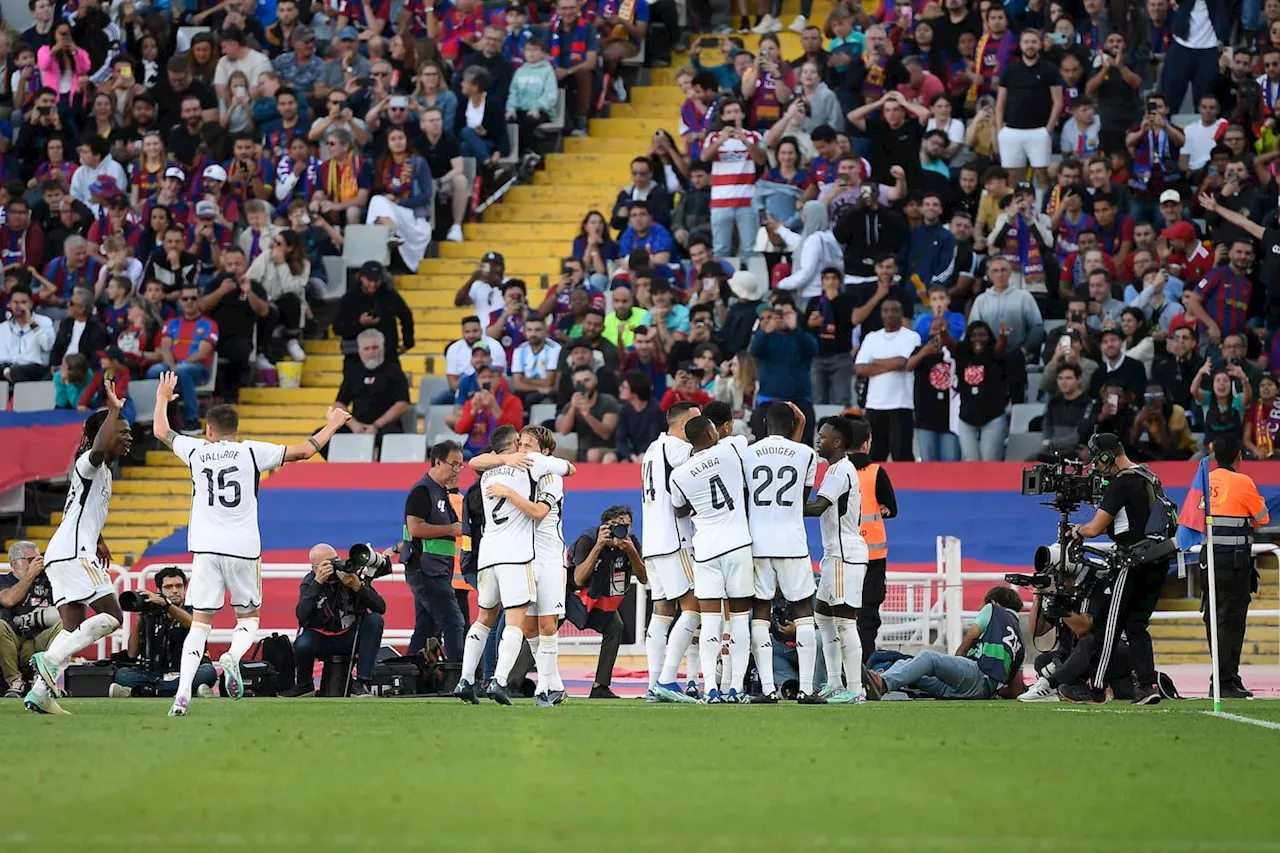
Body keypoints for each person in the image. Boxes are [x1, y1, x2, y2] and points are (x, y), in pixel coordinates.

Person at [150, 373, 351, 716]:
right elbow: (303, 451)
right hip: (243, 548)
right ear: (235, 429)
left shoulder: (197, 450)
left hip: (206, 549)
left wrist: (162, 398)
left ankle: (182, 695)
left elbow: (161, 432)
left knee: (199, 624)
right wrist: (331, 424)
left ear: (209, 431)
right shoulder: (252, 452)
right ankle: (232, 656)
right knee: (248, 619)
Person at [23, 387, 131, 715]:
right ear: (105, 433)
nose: (129, 438)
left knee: (72, 630)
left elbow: (81, 512)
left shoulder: (104, 472)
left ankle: (40, 694)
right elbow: (97, 450)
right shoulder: (89, 462)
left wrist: (99, 538)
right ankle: (50, 660)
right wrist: (113, 410)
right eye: (122, 433)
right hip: (72, 553)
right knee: (113, 616)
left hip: (66, 550)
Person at [1055, 433, 1172, 705]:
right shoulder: (1149, 477)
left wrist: (1076, 531)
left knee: (1110, 625)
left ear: (1108, 456)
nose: (1095, 466)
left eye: (1097, 460)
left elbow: (1095, 528)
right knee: (1136, 626)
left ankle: (1095, 689)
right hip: (1158, 560)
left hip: (1132, 562)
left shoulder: (1122, 482)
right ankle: (1147, 685)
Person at [461, 425, 574, 705]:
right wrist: (503, 460)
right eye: (520, 444)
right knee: (528, 627)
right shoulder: (518, 471)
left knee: (547, 624)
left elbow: (539, 511)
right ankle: (552, 685)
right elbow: (476, 461)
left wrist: (508, 492)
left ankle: (545, 688)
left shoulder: (549, 476)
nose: (523, 450)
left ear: (544, 451)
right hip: (522, 556)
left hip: (548, 557)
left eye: (529, 445)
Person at [663, 415, 752, 704]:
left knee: (710, 620)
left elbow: (679, 511)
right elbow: (741, 442)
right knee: (738, 619)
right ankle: (735, 687)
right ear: (713, 432)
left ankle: (711, 688)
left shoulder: (678, 475)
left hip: (706, 550)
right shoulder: (732, 447)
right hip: (738, 545)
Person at [743, 402, 820, 703]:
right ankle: (808, 689)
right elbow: (801, 501)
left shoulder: (747, 454)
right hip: (791, 541)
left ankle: (766, 690)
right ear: (793, 425)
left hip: (758, 542)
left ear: (764, 422)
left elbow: (747, 496)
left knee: (760, 613)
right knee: (803, 612)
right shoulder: (807, 454)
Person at [1194, 435, 1270, 698]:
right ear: (1239, 455)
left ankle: (1227, 678)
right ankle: (1225, 682)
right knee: (1232, 621)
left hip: (1207, 562)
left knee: (1214, 619)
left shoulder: (1204, 481)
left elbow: (1194, 517)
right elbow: (1263, 517)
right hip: (1234, 563)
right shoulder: (1243, 482)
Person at [800, 415, 867, 703]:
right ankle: (834, 682)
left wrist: (782, 506)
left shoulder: (841, 471)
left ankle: (855, 689)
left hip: (845, 555)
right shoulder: (835, 470)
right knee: (823, 617)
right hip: (834, 555)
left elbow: (817, 508)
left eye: (824, 436)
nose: (818, 439)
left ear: (837, 443)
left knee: (844, 622)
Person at [864, 586, 1026, 700]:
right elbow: (1015, 690)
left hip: (975, 674)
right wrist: (994, 693)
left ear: (993, 601)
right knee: (908, 666)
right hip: (982, 690)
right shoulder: (1020, 641)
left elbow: (969, 639)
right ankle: (877, 680)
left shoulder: (993, 610)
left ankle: (882, 683)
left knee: (929, 658)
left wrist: (957, 662)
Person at [643, 401, 703, 701]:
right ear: (682, 426)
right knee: (696, 606)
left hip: (652, 541)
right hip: (674, 538)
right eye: (697, 423)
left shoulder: (652, 449)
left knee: (662, 611)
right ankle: (667, 679)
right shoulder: (678, 449)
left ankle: (654, 683)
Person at [287, 543, 388, 698]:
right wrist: (318, 583)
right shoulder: (310, 581)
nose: (334, 566)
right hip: (321, 638)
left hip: (349, 636)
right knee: (303, 643)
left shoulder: (350, 575)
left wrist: (358, 587)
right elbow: (301, 614)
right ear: (315, 568)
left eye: (336, 560)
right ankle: (304, 685)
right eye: (328, 564)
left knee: (375, 620)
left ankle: (362, 683)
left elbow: (380, 607)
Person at [569, 504, 645, 699]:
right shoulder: (589, 538)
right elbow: (578, 578)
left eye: (626, 526)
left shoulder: (631, 542)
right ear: (604, 526)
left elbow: (643, 578)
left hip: (599, 596)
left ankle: (600, 686)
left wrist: (631, 553)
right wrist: (599, 547)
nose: (621, 530)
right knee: (546, 626)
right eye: (616, 525)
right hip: (570, 593)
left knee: (616, 626)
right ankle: (514, 681)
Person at [401, 440, 467, 661]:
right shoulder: (423, 491)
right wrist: (452, 529)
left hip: (435, 570)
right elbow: (415, 528)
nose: (457, 470)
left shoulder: (439, 492)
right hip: (426, 570)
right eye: (454, 464)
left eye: (461, 465)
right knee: (454, 622)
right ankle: (458, 677)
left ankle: (408, 677)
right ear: (438, 462)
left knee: (426, 627)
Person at [108, 567, 218, 699]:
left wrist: (167, 605)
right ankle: (184, 690)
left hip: (188, 671)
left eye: (179, 586)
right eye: (168, 587)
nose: (175, 590)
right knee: (122, 674)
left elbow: (191, 623)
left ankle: (144, 691)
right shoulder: (151, 614)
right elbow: (132, 653)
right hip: (157, 674)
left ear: (185, 589)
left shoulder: (195, 611)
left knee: (208, 672)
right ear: (159, 590)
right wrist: (138, 621)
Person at [145, 283, 219, 431]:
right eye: (185, 299)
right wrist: (173, 368)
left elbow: (202, 353)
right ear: (180, 301)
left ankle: (192, 421)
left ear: (199, 300)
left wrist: (177, 368)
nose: (189, 302)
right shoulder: (171, 323)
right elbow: (165, 348)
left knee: (183, 371)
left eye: (193, 298)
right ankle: (162, 418)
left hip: (198, 369)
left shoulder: (209, 324)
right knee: (153, 371)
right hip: (173, 367)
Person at [855, 299, 921, 462]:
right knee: (875, 456)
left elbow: (903, 363)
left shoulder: (911, 336)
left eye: (894, 310)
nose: (890, 314)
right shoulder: (872, 337)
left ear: (901, 314)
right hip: (874, 405)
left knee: (902, 455)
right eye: (886, 310)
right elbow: (860, 368)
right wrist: (893, 364)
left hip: (901, 404)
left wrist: (874, 361)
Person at [0, 541, 60, 699]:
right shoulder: (4, 581)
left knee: (65, 624)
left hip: (39, 641)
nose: (37, 563)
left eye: (39, 558)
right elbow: (8, 600)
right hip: (14, 642)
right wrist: (30, 575)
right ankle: (15, 682)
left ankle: (43, 679)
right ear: (15, 563)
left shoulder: (48, 581)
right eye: (31, 560)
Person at [334, 329, 411, 450]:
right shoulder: (353, 373)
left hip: (386, 426)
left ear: (383, 349)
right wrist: (354, 425)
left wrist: (376, 426)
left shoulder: (394, 372)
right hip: (357, 426)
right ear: (359, 351)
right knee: (325, 437)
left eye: (375, 348)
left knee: (395, 441)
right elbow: (339, 404)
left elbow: (403, 404)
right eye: (366, 348)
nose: (371, 352)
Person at [555, 364, 620, 462]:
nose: (583, 385)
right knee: (555, 454)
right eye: (578, 382)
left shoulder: (608, 401)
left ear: (595, 380)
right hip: (582, 450)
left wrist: (587, 415)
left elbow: (605, 433)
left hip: (608, 449)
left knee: (593, 454)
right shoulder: (571, 404)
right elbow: (563, 431)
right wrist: (573, 408)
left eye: (587, 380)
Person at [613, 371, 666, 462]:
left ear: (635, 390)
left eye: (624, 387)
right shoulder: (624, 410)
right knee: (610, 458)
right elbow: (620, 439)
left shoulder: (655, 410)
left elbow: (654, 438)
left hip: (652, 451)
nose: (620, 389)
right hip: (633, 452)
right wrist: (631, 455)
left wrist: (644, 453)